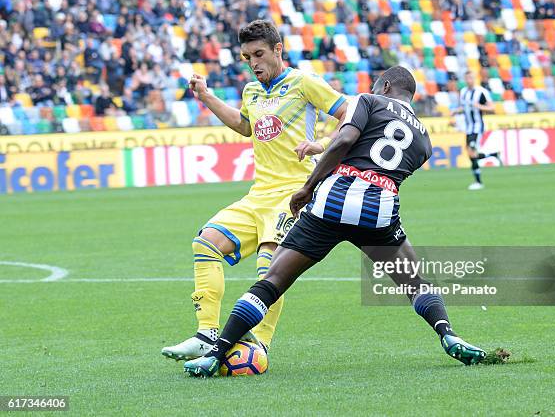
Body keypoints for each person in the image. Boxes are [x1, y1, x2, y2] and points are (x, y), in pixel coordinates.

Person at [184, 66, 487, 377]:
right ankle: (447, 332)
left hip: (333, 201)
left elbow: (345, 141)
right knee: (414, 282)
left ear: (383, 86)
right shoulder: (424, 139)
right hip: (378, 210)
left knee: (273, 280)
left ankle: (215, 354)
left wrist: (308, 186)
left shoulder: (368, 101)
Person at [161, 20, 347, 362]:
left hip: (294, 194)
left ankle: (259, 344)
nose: (253, 62)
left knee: (270, 269)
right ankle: (206, 335)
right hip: (259, 194)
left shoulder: (303, 82)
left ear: (278, 49)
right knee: (205, 244)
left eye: (259, 54)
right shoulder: (252, 91)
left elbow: (350, 112)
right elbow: (244, 126)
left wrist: (320, 144)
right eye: (247, 57)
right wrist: (206, 97)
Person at [454, 71, 499, 190]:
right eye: (467, 78)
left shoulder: (481, 92)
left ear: (475, 79)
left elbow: (492, 107)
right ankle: (493, 155)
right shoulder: (463, 92)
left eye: (471, 78)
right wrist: (456, 111)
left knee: (472, 151)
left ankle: (478, 182)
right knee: (470, 153)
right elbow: (464, 107)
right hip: (468, 128)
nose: (469, 80)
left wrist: (479, 106)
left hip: (477, 127)